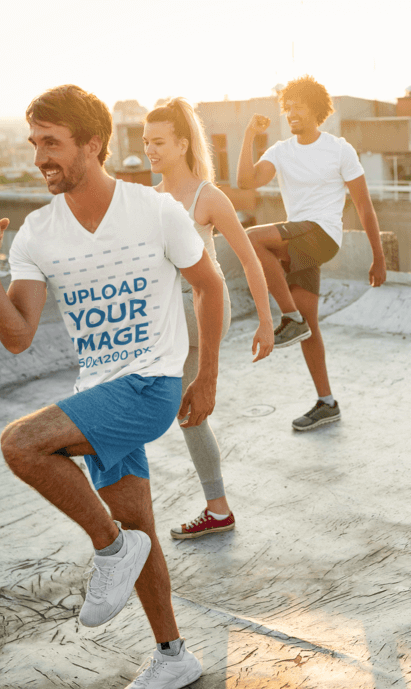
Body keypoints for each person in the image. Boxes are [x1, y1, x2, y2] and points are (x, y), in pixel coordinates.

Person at [0, 85, 224, 689]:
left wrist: (204, 376)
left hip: (151, 384)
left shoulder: (156, 210)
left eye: (51, 143)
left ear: (94, 144)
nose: (39, 158)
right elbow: (17, 336)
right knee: (140, 526)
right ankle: (173, 656)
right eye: (34, 144)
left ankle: (109, 548)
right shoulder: (36, 232)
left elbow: (209, 286)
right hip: (98, 391)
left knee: (21, 444)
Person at [142, 97, 274, 539]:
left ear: (182, 144)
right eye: (146, 142)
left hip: (203, 310)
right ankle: (215, 508)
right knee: (185, 410)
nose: (150, 150)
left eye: (159, 141)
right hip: (171, 312)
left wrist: (266, 319)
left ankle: (215, 509)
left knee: (184, 409)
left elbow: (249, 260)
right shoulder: (153, 198)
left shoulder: (207, 197)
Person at [237, 75, 387, 431]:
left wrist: (378, 256)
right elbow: (246, 182)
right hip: (299, 240)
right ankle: (327, 402)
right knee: (310, 329)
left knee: (253, 239)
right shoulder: (280, 151)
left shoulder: (339, 149)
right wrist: (248, 136)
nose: (291, 113)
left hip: (323, 235)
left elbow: (364, 207)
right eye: (287, 107)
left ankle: (290, 318)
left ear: (316, 109)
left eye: (298, 106)